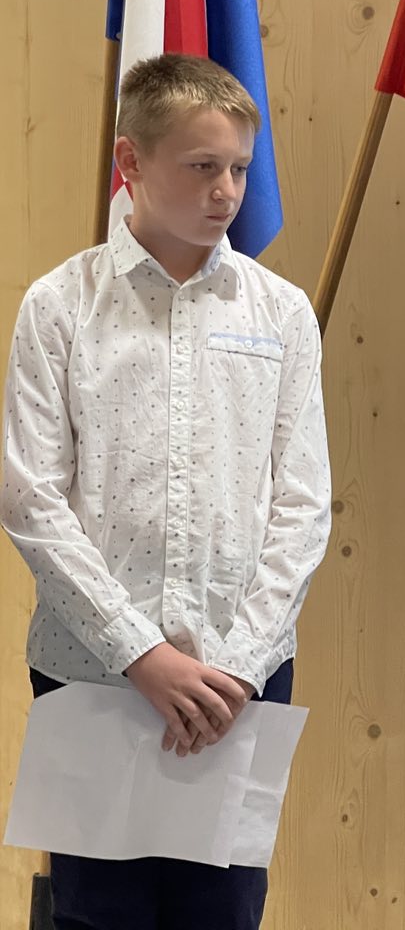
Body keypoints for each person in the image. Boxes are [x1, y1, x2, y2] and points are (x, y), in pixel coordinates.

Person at [0, 52, 332, 929]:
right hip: (94, 671)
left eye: (240, 169)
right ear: (131, 162)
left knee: (223, 911)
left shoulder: (280, 313)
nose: (227, 191)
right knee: (95, 913)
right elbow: (30, 497)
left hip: (238, 678)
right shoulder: (60, 306)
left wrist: (239, 667)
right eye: (202, 166)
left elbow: (303, 506)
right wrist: (140, 653)